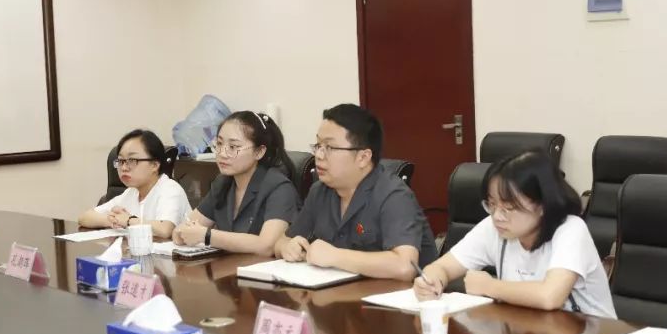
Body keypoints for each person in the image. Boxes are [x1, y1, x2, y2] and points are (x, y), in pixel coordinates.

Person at [413, 152, 616, 317]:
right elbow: (442, 266)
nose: (497, 216)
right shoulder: (494, 226)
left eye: (509, 207)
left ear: (542, 205)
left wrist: (489, 286)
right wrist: (432, 281)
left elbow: (549, 297)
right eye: (492, 204)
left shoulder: (571, 229)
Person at [275, 104, 436, 280]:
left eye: (329, 147)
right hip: (340, 292)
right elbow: (281, 242)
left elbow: (405, 266)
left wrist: (335, 256)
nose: (319, 155)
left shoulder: (394, 195)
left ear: (363, 157)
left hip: (397, 295)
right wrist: (287, 247)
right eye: (318, 145)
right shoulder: (320, 191)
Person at [173, 111, 299, 255]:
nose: (222, 153)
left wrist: (207, 235)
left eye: (233, 147)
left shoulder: (279, 187)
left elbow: (266, 246)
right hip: (228, 266)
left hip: (259, 268)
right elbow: (181, 231)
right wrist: (184, 232)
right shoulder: (223, 183)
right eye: (219, 144)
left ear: (259, 152)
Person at [78, 129, 189, 240]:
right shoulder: (131, 192)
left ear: (154, 165)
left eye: (132, 160)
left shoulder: (170, 189)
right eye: (121, 161)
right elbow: (84, 217)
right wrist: (112, 220)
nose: (124, 168)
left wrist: (128, 220)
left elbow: (165, 229)